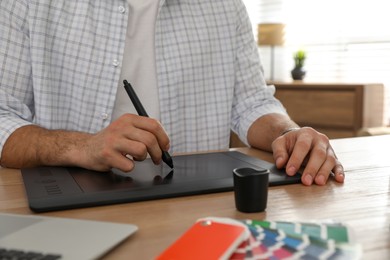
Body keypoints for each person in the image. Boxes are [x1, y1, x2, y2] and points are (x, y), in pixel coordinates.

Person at [0, 0, 344, 186]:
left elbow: (252, 103)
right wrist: (82, 146)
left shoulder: (226, 7)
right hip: (68, 205)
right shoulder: (26, 4)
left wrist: (288, 133)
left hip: (193, 209)